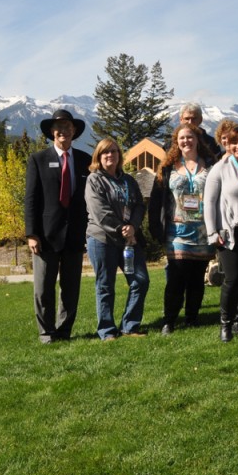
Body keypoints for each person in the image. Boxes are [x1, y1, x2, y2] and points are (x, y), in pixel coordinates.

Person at [24, 109, 92, 344]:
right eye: (59, 128)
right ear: (52, 132)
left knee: (71, 288)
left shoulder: (85, 161)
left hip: (75, 235)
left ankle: (64, 330)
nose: (63, 131)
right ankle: (46, 332)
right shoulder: (38, 160)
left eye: (68, 127)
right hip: (45, 236)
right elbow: (31, 199)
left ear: (74, 131)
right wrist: (32, 233)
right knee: (43, 288)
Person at [149, 123, 217, 334]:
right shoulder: (168, 167)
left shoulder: (210, 166)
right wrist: (155, 228)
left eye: (189, 137)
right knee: (177, 277)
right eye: (181, 138)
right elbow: (155, 200)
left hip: (202, 231)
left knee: (197, 278)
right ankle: (169, 320)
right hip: (176, 232)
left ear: (197, 139)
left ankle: (192, 318)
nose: (186, 141)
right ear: (176, 142)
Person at [85, 138, 150, 340]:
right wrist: (122, 227)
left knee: (140, 280)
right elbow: (100, 211)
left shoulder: (128, 180)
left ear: (119, 155)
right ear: (98, 156)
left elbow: (139, 205)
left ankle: (130, 326)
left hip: (129, 241)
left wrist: (133, 227)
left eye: (114, 151)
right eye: (105, 152)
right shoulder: (94, 180)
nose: (110, 155)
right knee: (105, 285)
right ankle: (106, 330)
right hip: (102, 239)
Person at [204, 123, 238, 342]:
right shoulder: (220, 168)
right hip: (229, 232)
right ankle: (225, 325)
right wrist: (212, 232)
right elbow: (208, 203)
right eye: (234, 142)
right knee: (233, 278)